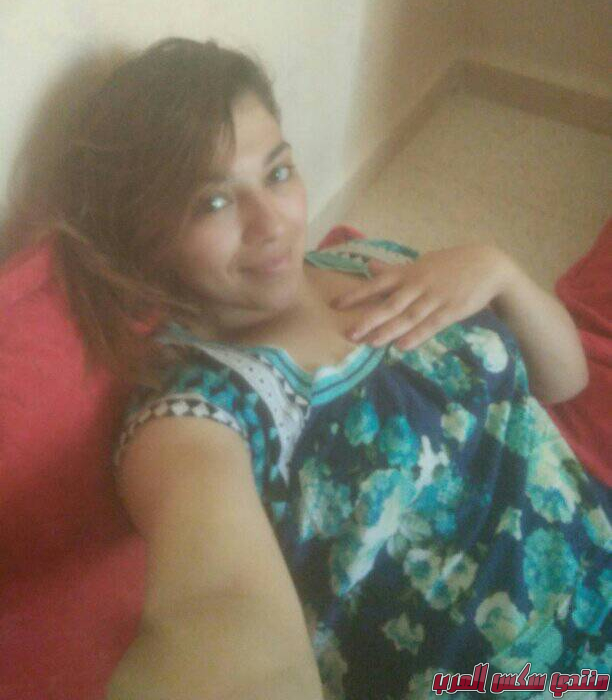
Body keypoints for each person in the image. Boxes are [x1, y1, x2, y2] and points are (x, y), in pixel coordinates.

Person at [41, 39, 609, 700]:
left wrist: (499, 268)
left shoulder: (368, 261)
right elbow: (219, 614)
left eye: (277, 172)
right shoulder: (197, 418)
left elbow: (566, 381)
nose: (273, 223)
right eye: (213, 203)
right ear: (143, 236)